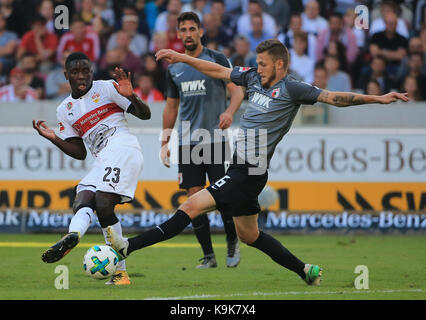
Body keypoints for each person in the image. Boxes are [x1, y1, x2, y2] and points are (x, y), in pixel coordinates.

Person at [107, 39, 408, 286]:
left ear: (279, 64)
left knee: (189, 207)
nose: (258, 68)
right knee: (249, 235)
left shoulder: (293, 89)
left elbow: (334, 97)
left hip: (249, 173)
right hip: (242, 169)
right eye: (258, 63)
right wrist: (182, 58)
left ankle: (127, 247)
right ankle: (306, 271)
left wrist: (377, 98)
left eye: (263, 64)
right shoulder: (252, 77)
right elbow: (218, 71)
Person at [32, 52, 151, 285]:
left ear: (91, 71)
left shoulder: (107, 88)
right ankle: (74, 235)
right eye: (75, 72)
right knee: (82, 198)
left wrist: (132, 96)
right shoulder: (64, 109)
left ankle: (119, 272)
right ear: (66, 75)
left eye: (85, 70)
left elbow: (145, 115)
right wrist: (54, 137)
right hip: (101, 159)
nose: (81, 76)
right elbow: (80, 152)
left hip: (123, 149)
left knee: (104, 202)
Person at [160, 12, 244, 269]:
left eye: (192, 29)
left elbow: (237, 90)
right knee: (194, 199)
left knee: (223, 198)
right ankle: (209, 256)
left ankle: (232, 242)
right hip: (187, 143)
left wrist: (229, 112)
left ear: (200, 32)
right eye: (183, 29)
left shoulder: (216, 59)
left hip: (214, 139)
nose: (187, 33)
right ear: (178, 34)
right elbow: (171, 107)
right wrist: (165, 141)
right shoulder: (174, 68)